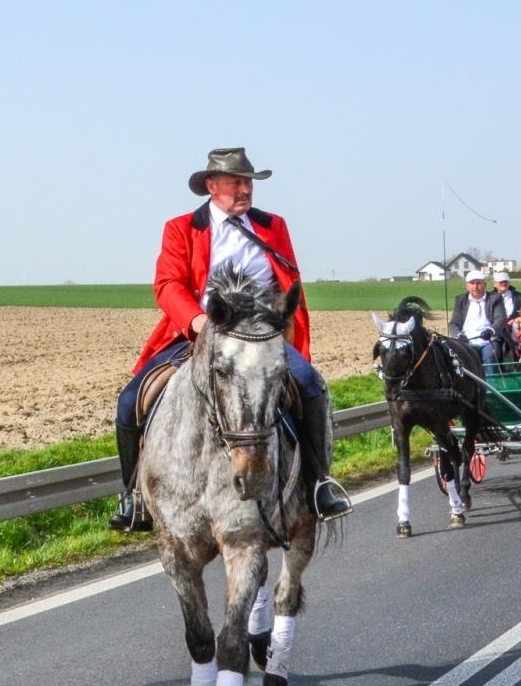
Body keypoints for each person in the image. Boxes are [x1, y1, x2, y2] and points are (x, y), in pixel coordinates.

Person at [107, 147, 351, 532]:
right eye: (236, 182)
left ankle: (319, 483)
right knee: (129, 400)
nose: (245, 190)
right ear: (211, 185)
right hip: (201, 332)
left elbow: (288, 282)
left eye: (249, 182)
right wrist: (198, 320)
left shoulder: (273, 227)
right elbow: (167, 284)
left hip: (262, 337)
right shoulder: (182, 228)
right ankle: (133, 497)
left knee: (310, 386)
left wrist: (279, 325)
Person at [449, 267, 511, 367]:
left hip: (489, 341)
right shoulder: (460, 300)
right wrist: (458, 335)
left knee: (490, 356)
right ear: (467, 286)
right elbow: (453, 324)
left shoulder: (495, 298)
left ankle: (491, 382)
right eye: (472, 283)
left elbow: (500, 319)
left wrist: (491, 331)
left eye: (478, 283)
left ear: (485, 284)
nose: (475, 286)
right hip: (467, 342)